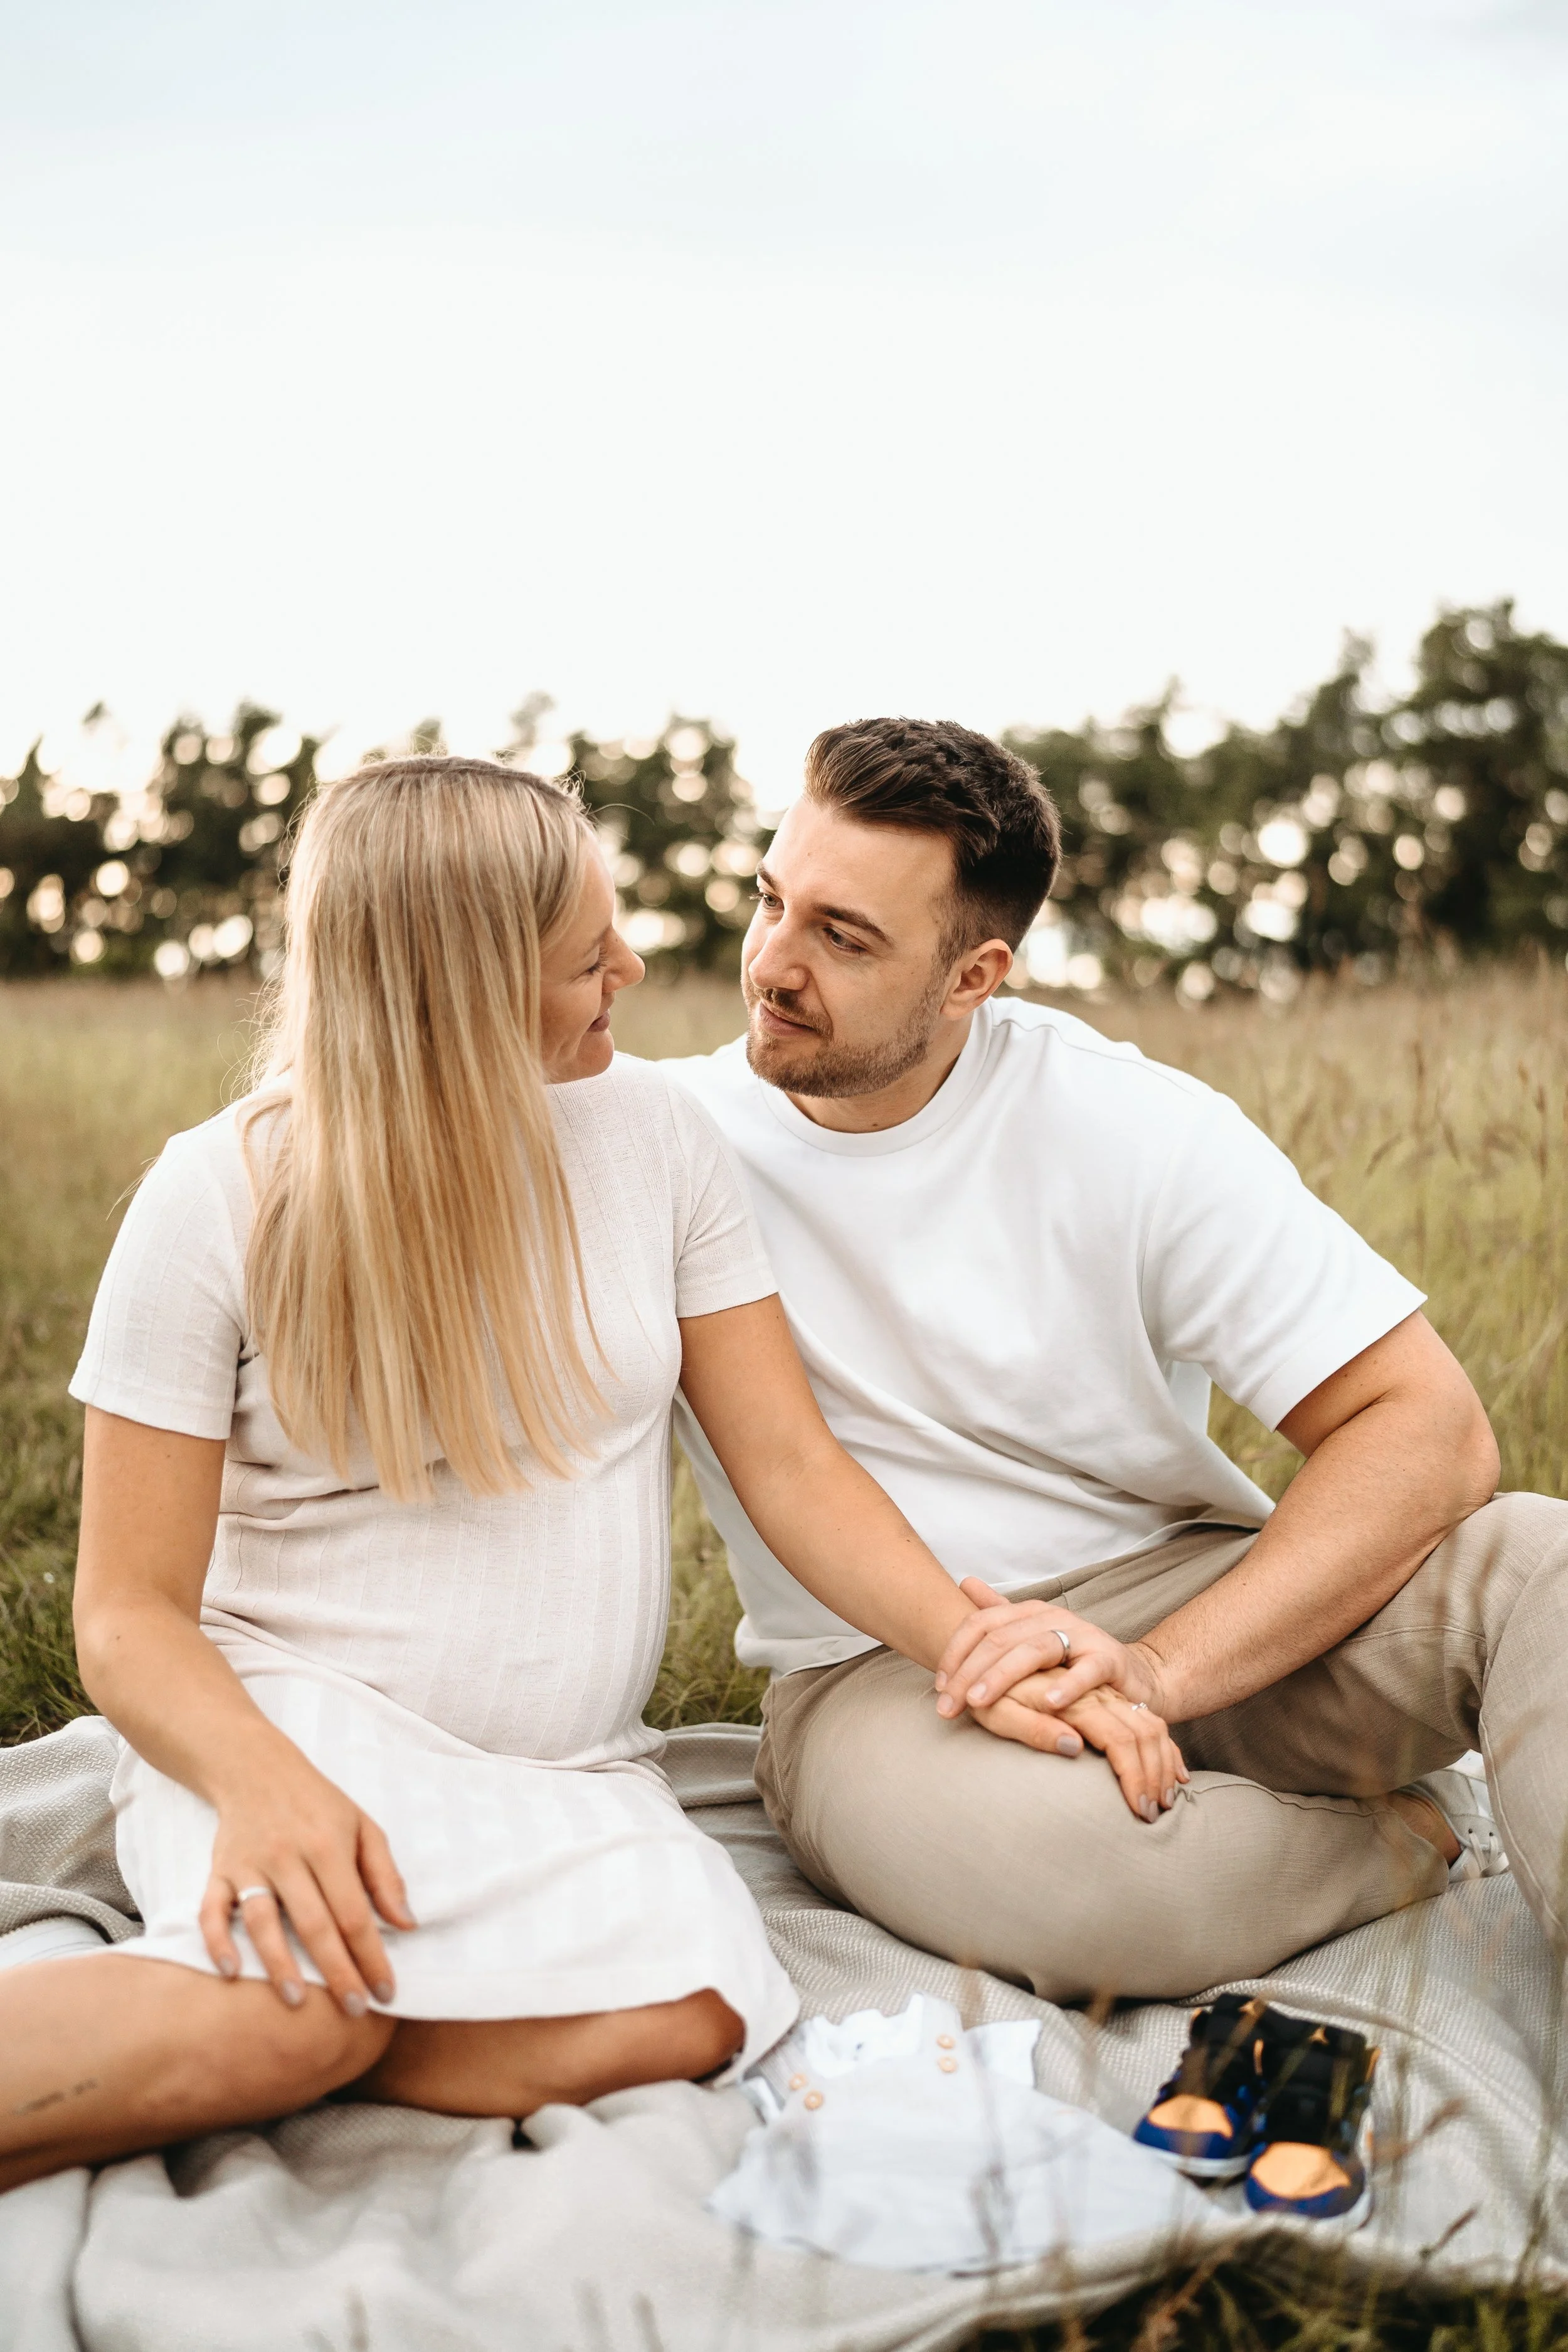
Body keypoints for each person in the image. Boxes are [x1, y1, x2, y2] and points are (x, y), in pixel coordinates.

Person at [0, 755, 1173, 2195]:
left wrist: (978, 1647)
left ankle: (330, 2035)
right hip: (297, 1730)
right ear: (463, 990)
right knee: (287, 2024)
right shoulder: (219, 1193)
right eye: (580, 956)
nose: (631, 963)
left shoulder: (655, 1145)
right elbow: (124, 1616)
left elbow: (792, 1467)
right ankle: (293, 2035)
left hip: (569, 1778)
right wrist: (259, 1789)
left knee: (696, 2017)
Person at [668, 716, 1568, 2005]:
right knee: (1099, 1891)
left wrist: (1156, 1669)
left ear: (972, 977)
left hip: (1178, 1599)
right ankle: (1408, 1836)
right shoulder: (672, 1138)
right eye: (771, 902)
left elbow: (1425, 1426)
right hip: (880, 1671)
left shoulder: (1127, 1122)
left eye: (843, 936)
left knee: (1538, 1565)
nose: (773, 964)